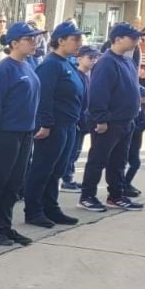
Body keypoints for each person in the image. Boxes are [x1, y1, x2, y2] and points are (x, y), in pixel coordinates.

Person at [0, 21, 42, 246]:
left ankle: (4, 225)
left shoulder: (28, 65)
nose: (34, 43)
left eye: (35, 39)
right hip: (7, 134)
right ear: (14, 43)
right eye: (29, 39)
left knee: (14, 182)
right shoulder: (4, 70)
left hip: (25, 133)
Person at [22, 21, 85, 228]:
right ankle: (34, 210)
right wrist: (46, 124)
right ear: (60, 41)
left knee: (58, 169)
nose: (79, 43)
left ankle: (51, 207)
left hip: (68, 123)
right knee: (42, 168)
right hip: (54, 125)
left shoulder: (67, 63)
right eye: (75, 39)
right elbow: (44, 97)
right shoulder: (51, 65)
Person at [79, 23, 145, 213]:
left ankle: (116, 195)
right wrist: (100, 119)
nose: (136, 41)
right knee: (98, 159)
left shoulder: (126, 61)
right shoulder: (106, 62)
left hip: (126, 120)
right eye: (132, 37)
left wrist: (142, 93)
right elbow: (98, 93)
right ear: (117, 39)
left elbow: (131, 85)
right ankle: (87, 196)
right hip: (109, 122)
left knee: (119, 160)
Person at [62, 45, 99, 190]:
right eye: (90, 58)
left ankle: (68, 176)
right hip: (77, 120)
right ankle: (66, 179)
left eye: (95, 58)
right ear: (79, 58)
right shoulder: (77, 75)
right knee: (71, 151)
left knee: (76, 151)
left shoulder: (88, 76)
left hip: (84, 121)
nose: (93, 61)